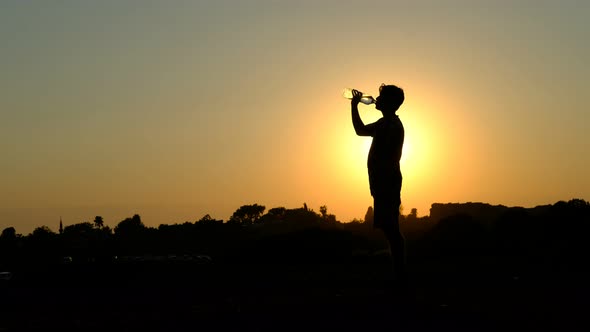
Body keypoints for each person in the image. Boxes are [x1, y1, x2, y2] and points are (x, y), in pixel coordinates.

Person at [351, 84, 406, 284]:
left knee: (391, 229)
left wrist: (354, 105)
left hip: (386, 181)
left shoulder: (389, 125)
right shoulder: (387, 123)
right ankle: (398, 272)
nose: (377, 98)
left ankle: (399, 275)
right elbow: (361, 131)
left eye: (381, 97)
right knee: (389, 227)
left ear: (390, 102)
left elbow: (361, 131)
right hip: (384, 181)